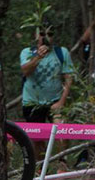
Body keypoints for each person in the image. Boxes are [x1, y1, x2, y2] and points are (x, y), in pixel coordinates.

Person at [20, 21, 74, 158]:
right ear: (36, 35)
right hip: (32, 102)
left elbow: (68, 78)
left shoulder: (62, 52)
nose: (46, 37)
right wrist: (38, 57)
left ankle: (62, 163)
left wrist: (62, 101)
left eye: (50, 34)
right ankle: (40, 168)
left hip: (55, 100)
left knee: (62, 130)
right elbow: (25, 71)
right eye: (42, 34)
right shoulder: (27, 52)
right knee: (37, 139)